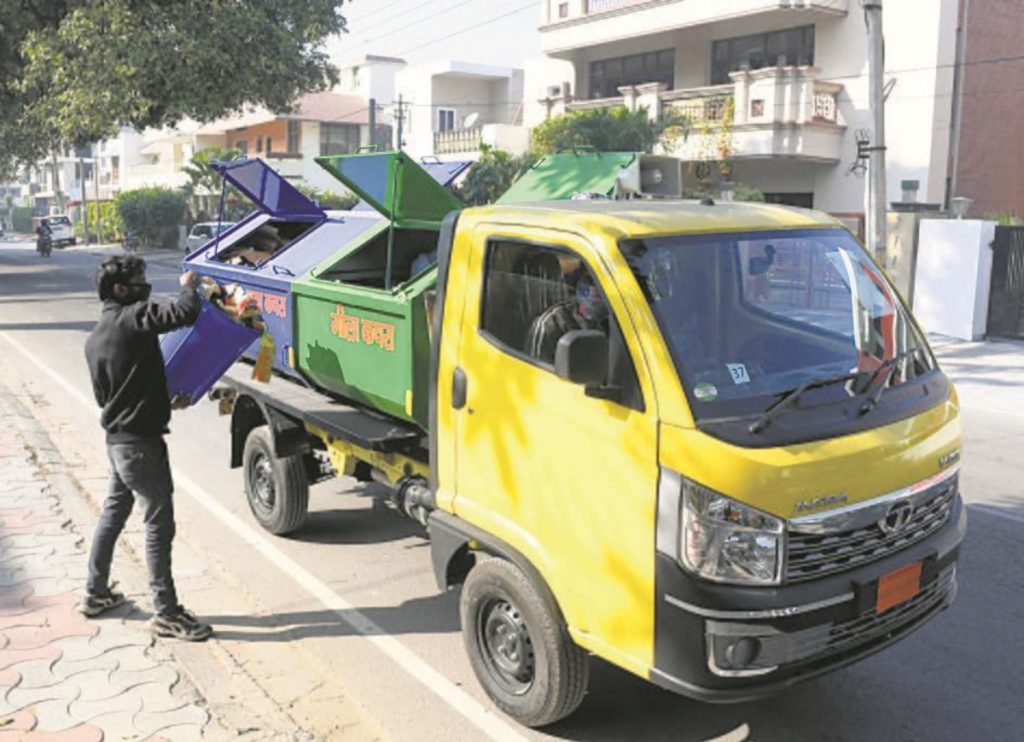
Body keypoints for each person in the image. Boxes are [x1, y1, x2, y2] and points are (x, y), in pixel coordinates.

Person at [81, 255, 213, 641]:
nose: (145, 285)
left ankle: (96, 592)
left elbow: (113, 396)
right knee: (158, 526)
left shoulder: (96, 338)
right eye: (139, 280)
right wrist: (190, 284)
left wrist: (161, 400)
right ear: (121, 290)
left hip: (119, 443)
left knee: (113, 515)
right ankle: (167, 613)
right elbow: (183, 313)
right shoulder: (133, 317)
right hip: (141, 448)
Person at [525, 272, 609, 364]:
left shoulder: (615, 320)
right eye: (595, 297)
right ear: (579, 294)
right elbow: (536, 370)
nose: (594, 302)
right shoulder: (552, 323)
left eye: (600, 297)